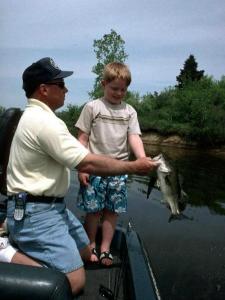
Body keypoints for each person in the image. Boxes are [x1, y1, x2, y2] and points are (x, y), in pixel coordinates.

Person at [0, 57, 159, 295]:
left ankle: (18, 234)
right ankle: (4, 250)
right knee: (73, 283)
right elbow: (86, 161)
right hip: (36, 212)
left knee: (87, 253)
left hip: (52, 208)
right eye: (61, 85)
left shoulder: (41, 118)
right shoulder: (44, 123)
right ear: (44, 89)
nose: (67, 89)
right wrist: (134, 167)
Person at [75, 62, 146, 266]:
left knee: (112, 211)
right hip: (94, 168)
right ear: (103, 83)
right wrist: (82, 167)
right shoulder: (92, 107)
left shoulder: (129, 111)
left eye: (123, 89)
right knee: (93, 210)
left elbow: (134, 137)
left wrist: (141, 158)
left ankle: (105, 247)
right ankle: (90, 244)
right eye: (114, 88)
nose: (119, 93)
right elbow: (82, 139)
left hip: (118, 170)